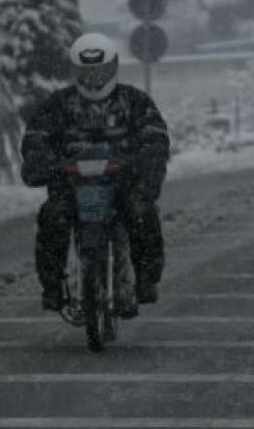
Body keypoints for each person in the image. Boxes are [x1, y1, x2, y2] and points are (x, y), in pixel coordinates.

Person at [20, 33, 170, 316]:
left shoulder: (135, 100)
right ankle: (52, 287)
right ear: (76, 70)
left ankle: (146, 281)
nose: (94, 77)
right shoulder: (58, 104)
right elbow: (35, 137)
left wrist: (144, 159)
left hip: (122, 183)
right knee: (52, 218)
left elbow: (156, 135)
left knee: (141, 213)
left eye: (100, 70)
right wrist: (43, 160)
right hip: (69, 184)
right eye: (86, 70)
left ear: (112, 68)